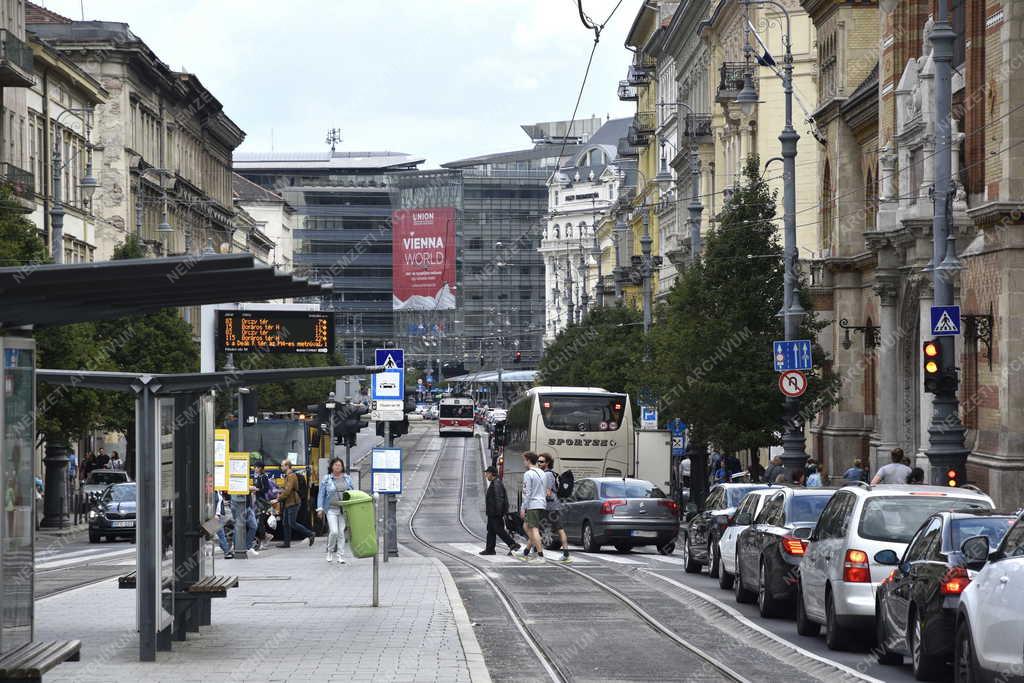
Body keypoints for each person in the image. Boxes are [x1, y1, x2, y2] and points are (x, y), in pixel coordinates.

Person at [316, 458, 352, 564]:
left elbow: (353, 492)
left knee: (341, 533)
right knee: (334, 531)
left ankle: (340, 555)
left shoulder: (347, 478)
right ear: (332, 466)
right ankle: (330, 550)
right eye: (336, 465)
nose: (337, 467)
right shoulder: (326, 479)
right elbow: (321, 494)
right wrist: (320, 508)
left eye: (339, 465)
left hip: (344, 509)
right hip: (331, 508)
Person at [537, 453, 571, 563]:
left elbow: (548, 492)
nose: (539, 463)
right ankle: (566, 553)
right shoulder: (551, 474)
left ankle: (533, 552)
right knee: (558, 529)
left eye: (541, 461)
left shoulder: (547, 475)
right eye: (538, 461)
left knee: (535, 528)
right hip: (554, 506)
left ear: (547, 463)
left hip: (549, 507)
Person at [274, 460, 314, 548]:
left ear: (287, 466)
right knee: (285, 523)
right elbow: (287, 489)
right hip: (288, 502)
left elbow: (288, 491)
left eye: (282, 466)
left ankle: (310, 534)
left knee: (292, 523)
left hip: (293, 502)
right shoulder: (288, 476)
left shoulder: (291, 476)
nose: (281, 467)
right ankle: (286, 543)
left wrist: (278, 499)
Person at [480, 466, 519, 556]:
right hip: (492, 512)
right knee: (491, 530)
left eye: (487, 473)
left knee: (499, 530)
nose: (486, 475)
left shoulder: (496, 484)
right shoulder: (495, 483)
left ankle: (513, 544)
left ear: (491, 474)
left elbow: (499, 499)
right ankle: (490, 549)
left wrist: (499, 513)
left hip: (495, 513)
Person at [515, 452, 547, 562]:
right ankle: (526, 552)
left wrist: (523, 508)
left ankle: (540, 555)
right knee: (526, 526)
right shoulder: (542, 473)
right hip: (541, 503)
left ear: (528, 460)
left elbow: (527, 493)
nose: (523, 462)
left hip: (533, 504)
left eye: (524, 460)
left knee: (534, 529)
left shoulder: (528, 474)